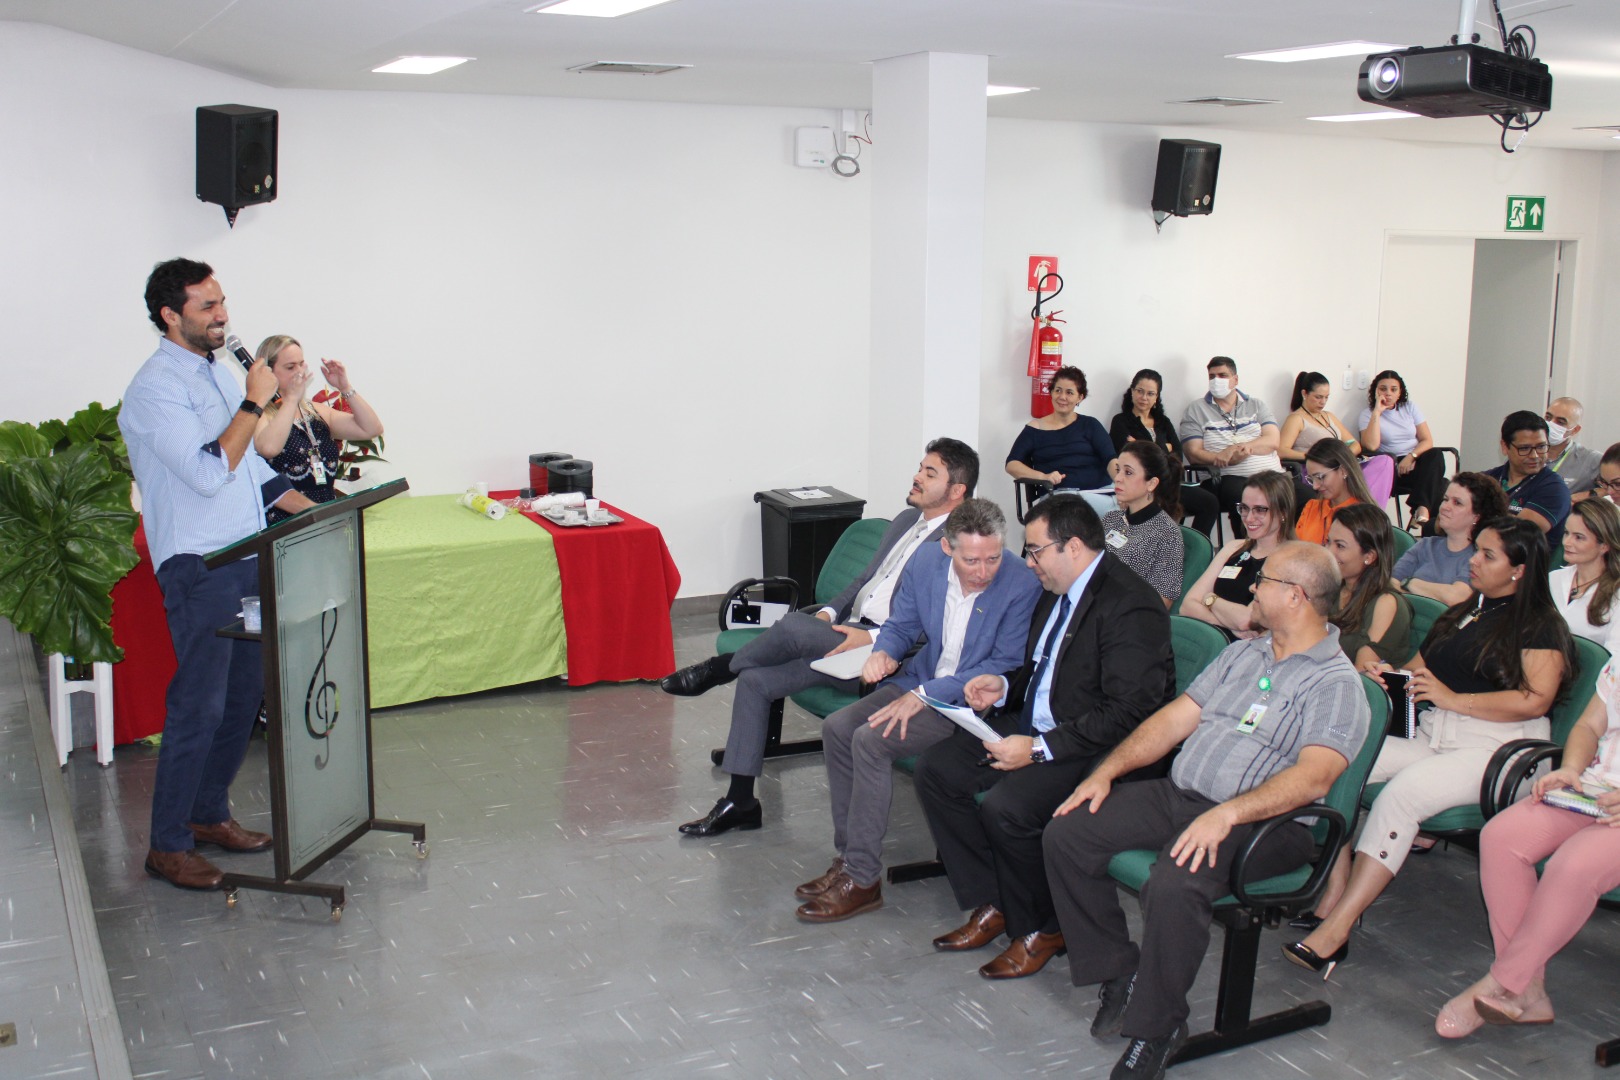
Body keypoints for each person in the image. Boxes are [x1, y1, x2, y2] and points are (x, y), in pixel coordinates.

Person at [1043, 541, 1368, 1080]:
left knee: (1175, 881)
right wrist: (1106, 771)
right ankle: (1120, 972)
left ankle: (1158, 1027)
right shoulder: (1245, 653)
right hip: (1184, 797)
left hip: (1269, 824)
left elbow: (1316, 777)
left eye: (1264, 580)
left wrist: (1229, 814)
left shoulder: (1336, 683)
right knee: (1069, 831)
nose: (1253, 587)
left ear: (1296, 596)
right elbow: (1175, 719)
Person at [1289, 518, 1575, 976]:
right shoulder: (1467, 610)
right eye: (1476, 550)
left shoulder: (1541, 624)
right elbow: (1418, 670)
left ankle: (1335, 930)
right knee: (1339, 767)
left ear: (1519, 570)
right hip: (1436, 734)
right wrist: (1390, 675)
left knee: (1403, 795)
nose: (1473, 561)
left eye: (1487, 555)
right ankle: (1336, 884)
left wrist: (1453, 699)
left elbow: (1534, 700)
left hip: (1499, 750)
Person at [913, 495, 1175, 979]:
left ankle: (1043, 927)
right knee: (937, 771)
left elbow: (1130, 711)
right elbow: (1039, 667)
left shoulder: (1130, 604)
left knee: (1008, 808)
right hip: (1036, 721)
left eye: (1035, 551)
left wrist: (1037, 749)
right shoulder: (1057, 588)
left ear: (1072, 546)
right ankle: (997, 900)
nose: (1028, 562)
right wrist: (1002, 685)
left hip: (1095, 745)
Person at [118, 258, 316, 891]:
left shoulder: (217, 375)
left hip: (247, 556)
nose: (222, 316)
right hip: (199, 565)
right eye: (207, 306)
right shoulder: (156, 390)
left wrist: (320, 512)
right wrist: (254, 402)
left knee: (241, 698)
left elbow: (253, 470)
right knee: (199, 705)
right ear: (169, 315)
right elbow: (210, 472)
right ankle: (167, 845)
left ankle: (207, 815)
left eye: (222, 302)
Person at [667, 438, 978, 837]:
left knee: (792, 627)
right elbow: (865, 580)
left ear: (957, 491)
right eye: (920, 467)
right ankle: (740, 802)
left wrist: (874, 639)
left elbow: (934, 624)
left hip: (885, 655)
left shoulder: (957, 545)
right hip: (846, 634)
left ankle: (720, 669)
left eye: (929, 473)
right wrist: (830, 612)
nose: (917, 476)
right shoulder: (906, 520)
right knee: (757, 680)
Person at [793, 499, 1041, 922]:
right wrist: (886, 652)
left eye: (993, 558)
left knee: (871, 741)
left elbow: (1004, 663)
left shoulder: (1021, 582)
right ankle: (849, 858)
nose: (983, 571)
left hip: (967, 701)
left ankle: (863, 879)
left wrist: (926, 694)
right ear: (947, 548)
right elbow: (902, 624)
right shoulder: (925, 561)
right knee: (838, 728)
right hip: (920, 681)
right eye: (971, 560)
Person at [1435, 662, 1620, 1038]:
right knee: (1501, 838)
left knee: (1572, 866)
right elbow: (1588, 726)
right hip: (1595, 788)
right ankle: (1528, 988)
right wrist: (1570, 768)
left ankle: (1501, 981)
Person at [252, 335, 384, 525]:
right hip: (286, 525)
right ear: (268, 372)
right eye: (290, 367)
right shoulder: (260, 413)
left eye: (301, 364)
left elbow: (371, 428)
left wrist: (345, 387)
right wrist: (291, 398)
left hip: (326, 518)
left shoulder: (314, 411)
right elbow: (269, 448)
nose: (299, 372)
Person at [1178, 355, 1291, 535]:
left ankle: (1293, 547)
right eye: (1212, 376)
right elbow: (1193, 452)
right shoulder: (1195, 410)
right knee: (1244, 497)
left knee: (1306, 496)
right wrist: (1221, 458)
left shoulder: (1256, 405)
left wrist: (1242, 448)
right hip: (1227, 477)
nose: (1216, 381)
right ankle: (1249, 547)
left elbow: (1273, 440)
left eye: (1222, 375)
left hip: (1273, 476)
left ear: (1235, 379)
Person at [1181, 472, 1296, 640]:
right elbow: (1187, 606)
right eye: (1244, 508)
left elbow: (1247, 620)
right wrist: (1226, 625)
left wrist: (1209, 598)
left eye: (1260, 510)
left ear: (1283, 512)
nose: (1249, 518)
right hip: (1219, 640)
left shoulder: (1290, 559)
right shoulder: (1233, 548)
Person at [1108, 368, 1219, 535]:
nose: (1144, 397)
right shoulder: (1120, 421)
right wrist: (1164, 448)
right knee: (1158, 505)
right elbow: (1129, 457)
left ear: (1157, 397)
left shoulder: (1163, 422)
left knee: (1210, 502)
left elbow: (1177, 455)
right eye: (1140, 391)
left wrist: (1142, 445)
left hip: (1170, 483)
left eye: (1150, 393)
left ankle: (1195, 544)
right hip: (1143, 486)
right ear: (1132, 391)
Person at [1006, 365, 1118, 516]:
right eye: (1058, 390)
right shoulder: (1035, 429)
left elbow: (1111, 459)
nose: (1062, 397)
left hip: (1099, 494)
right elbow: (1012, 464)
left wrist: (1122, 484)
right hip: (1059, 498)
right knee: (1075, 511)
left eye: (1069, 392)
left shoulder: (1090, 425)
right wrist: (1044, 477)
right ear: (1051, 392)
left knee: (1125, 513)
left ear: (1080, 397)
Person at [1393, 472, 1510, 607]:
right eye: (1445, 499)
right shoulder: (1425, 545)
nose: (1444, 507)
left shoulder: (1478, 557)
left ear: (1477, 516)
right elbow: (1390, 582)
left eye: (1457, 503)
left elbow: (1456, 597)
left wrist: (1409, 583)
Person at [1323, 504, 1412, 671]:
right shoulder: (1332, 587)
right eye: (1328, 542)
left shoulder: (1385, 603)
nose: (1328, 552)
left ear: (1369, 556)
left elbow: (1362, 672)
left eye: (1340, 546)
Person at [1358, 370, 1446, 534]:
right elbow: (1371, 445)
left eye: (1393, 389)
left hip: (1415, 461)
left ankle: (1422, 508)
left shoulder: (1409, 407)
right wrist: (1377, 412)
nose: (1388, 393)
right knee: (1441, 484)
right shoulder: (1368, 414)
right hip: (1392, 467)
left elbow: (1427, 440)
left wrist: (1411, 457)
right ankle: (1425, 521)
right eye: (1383, 389)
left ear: (1400, 392)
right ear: (1375, 391)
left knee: (1435, 455)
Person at [1099, 441, 1185, 607]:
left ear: (1151, 483)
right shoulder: (1111, 519)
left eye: (1128, 473)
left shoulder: (1167, 533)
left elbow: (1162, 600)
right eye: (1118, 470)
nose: (1117, 478)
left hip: (1126, 615)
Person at [1484, 411, 1572, 548]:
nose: (1535, 455)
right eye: (1524, 448)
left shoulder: (1554, 488)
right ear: (1505, 447)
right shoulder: (1487, 479)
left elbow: (1518, 534)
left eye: (1541, 447)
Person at [1548, 497, 1620, 655]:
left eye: (1578, 537)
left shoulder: (1617, 594)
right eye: (1566, 533)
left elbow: (1615, 658)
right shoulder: (1553, 579)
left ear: (1604, 545)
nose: (1567, 542)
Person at [1294, 439, 1374, 545]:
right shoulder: (1312, 507)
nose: (1315, 486)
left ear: (1343, 471)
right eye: (1311, 479)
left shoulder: (1364, 517)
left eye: (1320, 477)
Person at [1278, 371, 1361, 463]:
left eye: (1326, 397)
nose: (1323, 402)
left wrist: (1341, 457)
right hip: (1314, 467)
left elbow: (1354, 444)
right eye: (1318, 397)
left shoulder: (1329, 416)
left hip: (1336, 465)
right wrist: (1315, 457)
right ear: (1304, 394)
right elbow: (1281, 451)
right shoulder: (1296, 419)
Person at [1543, 397, 1602, 503]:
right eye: (1548, 417)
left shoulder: (1590, 459)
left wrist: (1590, 494)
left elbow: (1615, 487)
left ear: (1575, 430)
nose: (1550, 424)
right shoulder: (1527, 452)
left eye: (1560, 422)